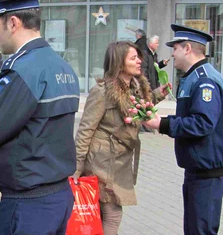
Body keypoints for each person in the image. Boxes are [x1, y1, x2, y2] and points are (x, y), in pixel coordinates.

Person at [0, 0, 80, 234]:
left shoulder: (23, 70)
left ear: (13, 23)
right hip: (58, 194)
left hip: (29, 204)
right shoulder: (62, 66)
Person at [143, 24, 223, 235]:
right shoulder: (194, 76)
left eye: (174, 48)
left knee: (200, 230)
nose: (172, 54)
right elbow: (191, 118)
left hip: (208, 170)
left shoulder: (204, 80)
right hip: (200, 167)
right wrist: (164, 121)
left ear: (187, 48)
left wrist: (162, 124)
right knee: (195, 228)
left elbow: (202, 123)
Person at [73, 41, 171, 235]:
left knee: (103, 215)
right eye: (133, 58)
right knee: (113, 213)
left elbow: (138, 106)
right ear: (119, 62)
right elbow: (85, 131)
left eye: (138, 57)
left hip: (119, 160)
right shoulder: (102, 92)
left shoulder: (134, 86)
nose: (139, 61)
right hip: (102, 162)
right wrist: (76, 170)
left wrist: (158, 95)